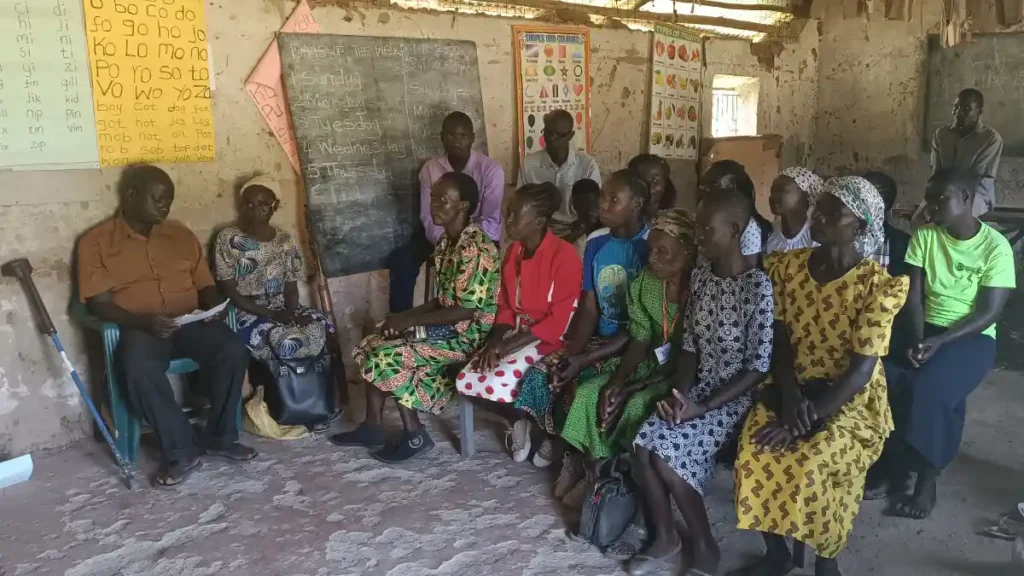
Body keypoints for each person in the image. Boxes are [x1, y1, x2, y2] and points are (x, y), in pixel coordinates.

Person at [733, 176, 909, 576]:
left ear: (860, 227)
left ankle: (825, 558)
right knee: (755, 450)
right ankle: (776, 553)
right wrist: (791, 397)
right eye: (819, 209)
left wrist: (806, 420)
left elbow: (860, 372)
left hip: (848, 399)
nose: (820, 217)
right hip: (790, 385)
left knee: (815, 460)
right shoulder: (788, 268)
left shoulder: (877, 287)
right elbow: (779, 339)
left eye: (834, 213)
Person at [77, 165, 257, 487]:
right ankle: (181, 449)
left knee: (231, 348)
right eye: (158, 198)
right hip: (139, 327)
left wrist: (215, 305)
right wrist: (143, 321)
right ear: (131, 195)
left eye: (169, 200)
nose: (165, 206)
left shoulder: (180, 235)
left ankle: (220, 436)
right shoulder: (97, 242)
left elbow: (205, 286)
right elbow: (99, 303)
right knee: (136, 366)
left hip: (189, 321)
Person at [627, 190, 774, 575]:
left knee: (667, 459)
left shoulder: (756, 287)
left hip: (738, 398)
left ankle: (706, 547)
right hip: (701, 389)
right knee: (643, 446)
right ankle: (666, 537)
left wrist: (702, 408)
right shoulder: (705, 278)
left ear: (735, 230)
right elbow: (690, 344)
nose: (699, 237)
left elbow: (758, 367)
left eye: (707, 228)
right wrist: (681, 395)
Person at [869, 170, 1014, 519]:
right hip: (925, 328)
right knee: (884, 375)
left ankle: (926, 478)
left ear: (966, 198)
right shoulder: (925, 237)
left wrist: (939, 342)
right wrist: (919, 341)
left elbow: (989, 312)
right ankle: (894, 463)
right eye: (928, 198)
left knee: (930, 389)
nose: (931, 207)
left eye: (941, 199)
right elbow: (914, 298)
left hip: (972, 336)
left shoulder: (996, 247)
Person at [331, 172, 500, 462]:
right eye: (433, 197)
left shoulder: (475, 248)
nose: (434, 205)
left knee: (388, 354)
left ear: (463, 206)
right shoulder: (448, 243)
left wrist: (408, 322)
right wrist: (401, 316)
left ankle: (415, 434)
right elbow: (441, 300)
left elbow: (466, 310)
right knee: (376, 339)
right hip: (449, 326)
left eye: (443, 200)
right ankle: (372, 425)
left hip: (466, 336)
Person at [510, 170, 650, 472]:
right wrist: (575, 351)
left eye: (614, 199)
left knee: (582, 383)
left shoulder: (652, 245)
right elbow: (589, 306)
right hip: (601, 337)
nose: (603, 205)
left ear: (637, 204)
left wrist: (585, 359)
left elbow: (642, 325)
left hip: (636, 344)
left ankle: (568, 450)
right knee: (544, 372)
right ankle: (553, 435)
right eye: (603, 197)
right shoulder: (597, 242)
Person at [214, 176, 343, 429]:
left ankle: (318, 404)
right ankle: (291, 407)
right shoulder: (228, 238)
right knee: (285, 338)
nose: (255, 210)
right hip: (245, 309)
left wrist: (291, 312)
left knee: (319, 325)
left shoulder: (284, 240)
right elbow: (228, 289)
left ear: (275, 205)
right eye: (249, 204)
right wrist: (270, 315)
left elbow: (291, 286)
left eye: (263, 204)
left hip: (280, 306)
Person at [455, 183, 582, 411]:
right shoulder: (514, 252)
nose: (508, 220)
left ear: (539, 222)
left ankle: (522, 426)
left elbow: (557, 323)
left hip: (551, 339)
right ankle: (518, 422)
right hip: (517, 332)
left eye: (516, 215)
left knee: (496, 381)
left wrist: (507, 346)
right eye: (508, 213)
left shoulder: (564, 256)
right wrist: (495, 341)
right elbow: (505, 305)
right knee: (469, 377)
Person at [387, 112, 504, 314]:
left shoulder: (490, 169)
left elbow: (491, 219)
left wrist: (463, 242)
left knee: (472, 265)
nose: (457, 141)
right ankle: (399, 321)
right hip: (439, 234)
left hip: (478, 237)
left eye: (463, 136)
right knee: (401, 262)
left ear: (472, 138)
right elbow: (428, 216)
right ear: (442, 137)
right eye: (451, 135)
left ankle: (473, 314)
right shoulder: (430, 169)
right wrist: (445, 243)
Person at [912, 89, 1003, 227]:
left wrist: (949, 198)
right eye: (956, 107)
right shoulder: (941, 135)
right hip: (942, 192)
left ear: (979, 112)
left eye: (967, 108)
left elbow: (975, 178)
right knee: (918, 220)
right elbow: (937, 174)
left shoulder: (991, 139)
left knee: (955, 217)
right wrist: (930, 199)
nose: (959, 112)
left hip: (975, 195)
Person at [518, 109, 602, 242]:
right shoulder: (529, 164)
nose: (552, 138)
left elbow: (592, 214)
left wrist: (563, 243)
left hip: (575, 232)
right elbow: (521, 205)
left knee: (576, 259)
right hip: (538, 230)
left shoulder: (587, 165)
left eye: (558, 135)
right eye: (548, 133)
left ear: (570, 136)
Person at [698, 160, 770, 260]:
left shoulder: (752, 227)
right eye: (702, 185)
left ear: (732, 185)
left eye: (712, 184)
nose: (704, 189)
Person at [863, 170, 911, 277]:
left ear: (887, 205)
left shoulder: (900, 243)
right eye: (863, 196)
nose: (866, 203)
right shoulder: (839, 236)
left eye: (875, 199)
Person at [765, 167, 824, 254]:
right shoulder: (768, 233)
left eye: (781, 190)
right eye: (772, 191)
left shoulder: (815, 236)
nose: (773, 197)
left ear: (804, 197)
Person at [568, 178, 601, 256]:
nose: (589, 213)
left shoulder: (610, 230)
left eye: (593, 206)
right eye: (583, 207)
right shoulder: (577, 233)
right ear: (574, 206)